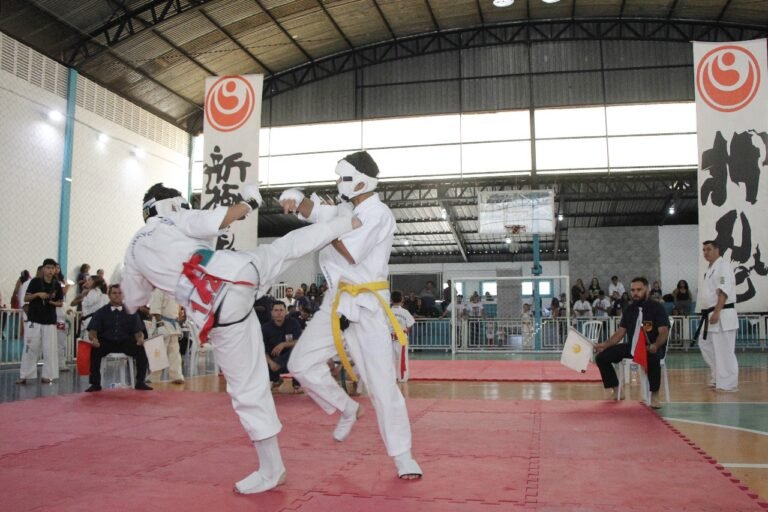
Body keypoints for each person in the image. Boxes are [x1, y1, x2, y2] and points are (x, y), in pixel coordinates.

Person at [120, 182, 360, 495]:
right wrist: (248, 202)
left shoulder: (134, 249)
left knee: (247, 389)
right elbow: (217, 219)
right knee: (283, 248)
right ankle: (347, 221)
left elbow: (133, 299)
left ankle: (272, 469)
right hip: (240, 272)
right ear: (172, 204)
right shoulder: (175, 218)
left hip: (219, 310)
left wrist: (155, 278)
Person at [280, 150, 422, 480]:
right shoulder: (346, 209)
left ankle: (403, 456)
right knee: (299, 363)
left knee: (381, 385)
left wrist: (325, 224)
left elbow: (348, 250)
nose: (337, 183)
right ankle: (346, 407)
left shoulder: (379, 213)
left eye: (341, 177)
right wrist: (297, 199)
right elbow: (316, 211)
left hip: (367, 306)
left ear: (359, 180)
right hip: (336, 301)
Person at [593, 277, 670, 408]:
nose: (635, 293)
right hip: (633, 347)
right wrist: (604, 345)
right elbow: (620, 333)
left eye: (639, 290)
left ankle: (655, 395)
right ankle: (617, 391)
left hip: (651, 346)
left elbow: (663, 331)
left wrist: (656, 345)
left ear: (647, 289)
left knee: (653, 358)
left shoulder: (657, 308)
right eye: (633, 290)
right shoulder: (629, 309)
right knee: (601, 357)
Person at [85, 284, 151, 392]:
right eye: (114, 293)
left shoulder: (132, 311)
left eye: (120, 293)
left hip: (125, 342)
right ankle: (95, 383)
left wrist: (140, 339)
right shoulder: (101, 312)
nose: (117, 296)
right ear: (109, 295)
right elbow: (92, 331)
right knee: (94, 351)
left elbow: (138, 331)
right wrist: (94, 339)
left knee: (141, 351)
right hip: (107, 341)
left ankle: (140, 382)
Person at [696, 240, 739, 392]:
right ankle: (717, 376)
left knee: (724, 350)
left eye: (708, 249)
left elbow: (724, 290)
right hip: (711, 312)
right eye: (704, 250)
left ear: (717, 250)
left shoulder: (723, 266)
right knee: (705, 344)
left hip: (722, 312)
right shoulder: (710, 269)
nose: (705, 252)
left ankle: (728, 384)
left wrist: (717, 310)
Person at [16, 258, 63, 385]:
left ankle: (48, 375)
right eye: (47, 268)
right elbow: (26, 298)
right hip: (34, 320)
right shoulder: (35, 282)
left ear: (55, 270)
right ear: (43, 269)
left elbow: (60, 302)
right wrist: (38, 295)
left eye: (52, 268)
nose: (50, 270)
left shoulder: (57, 285)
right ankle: (25, 375)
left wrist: (51, 301)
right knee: (30, 347)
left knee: (50, 349)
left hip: (49, 321)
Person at [262, 301, 303, 392]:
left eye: (281, 310)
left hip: (290, 359)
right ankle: (276, 380)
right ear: (272, 313)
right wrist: (270, 362)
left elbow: (300, 342)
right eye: (276, 310)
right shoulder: (265, 328)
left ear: (286, 312)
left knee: (298, 350)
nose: (279, 313)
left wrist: (284, 344)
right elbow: (262, 349)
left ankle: (295, 383)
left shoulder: (293, 323)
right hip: (272, 361)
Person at [147, 288, 184, 385]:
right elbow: (155, 310)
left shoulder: (175, 292)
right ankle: (154, 377)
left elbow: (177, 311)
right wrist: (160, 324)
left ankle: (176, 376)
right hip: (162, 324)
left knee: (175, 353)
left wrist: (179, 320)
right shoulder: (159, 290)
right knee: (158, 353)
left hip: (173, 325)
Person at [390, 291, 415, 383]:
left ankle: (391, 378)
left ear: (391, 300)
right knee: (402, 359)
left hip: (389, 338)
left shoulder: (387, 312)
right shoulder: (405, 312)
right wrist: (406, 331)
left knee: (390, 359)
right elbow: (410, 324)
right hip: (402, 338)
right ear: (402, 300)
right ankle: (402, 377)